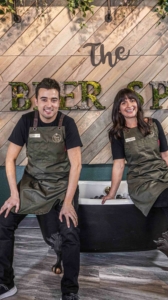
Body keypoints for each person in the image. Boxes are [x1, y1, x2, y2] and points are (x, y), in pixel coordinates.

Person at [102, 88, 168, 300]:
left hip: (163, 177)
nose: (129, 105)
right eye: (123, 102)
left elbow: (166, 154)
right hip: (142, 183)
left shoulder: (153, 124)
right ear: (118, 108)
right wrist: (112, 191)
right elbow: (119, 164)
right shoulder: (117, 133)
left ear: (137, 103)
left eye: (132, 100)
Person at [0, 78, 82, 300]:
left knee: (70, 232)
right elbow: (10, 159)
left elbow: (76, 164)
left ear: (59, 101)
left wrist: (67, 203)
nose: (49, 104)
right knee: (4, 221)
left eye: (54, 100)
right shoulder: (26, 121)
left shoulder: (68, 123)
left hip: (61, 186)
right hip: (32, 184)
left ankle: (70, 290)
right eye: (44, 99)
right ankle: (5, 282)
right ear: (35, 101)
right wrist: (14, 194)